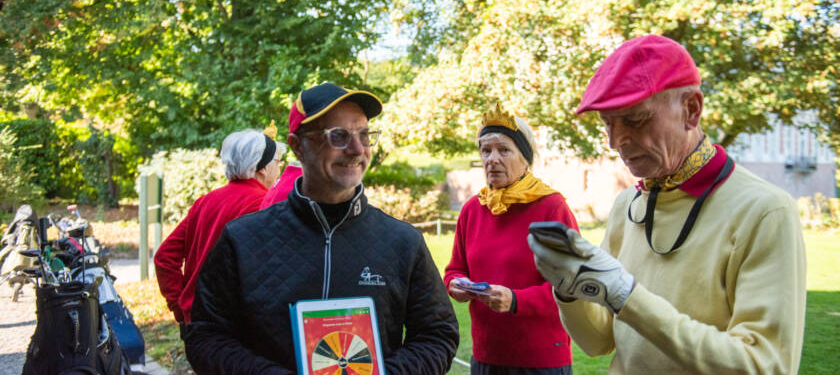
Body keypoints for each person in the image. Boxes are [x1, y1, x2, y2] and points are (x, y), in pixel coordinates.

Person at [528, 35, 807, 374]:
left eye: (634, 119)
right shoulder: (627, 204)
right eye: (607, 123)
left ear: (691, 110)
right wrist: (569, 289)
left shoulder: (765, 211)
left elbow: (765, 366)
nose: (615, 142)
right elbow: (598, 341)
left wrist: (628, 296)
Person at [184, 83, 459, 375]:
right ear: (297, 146)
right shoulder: (242, 239)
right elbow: (205, 337)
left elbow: (438, 334)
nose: (357, 150)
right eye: (338, 136)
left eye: (364, 135)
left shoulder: (403, 242)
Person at [444, 104, 579, 375]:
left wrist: (516, 300)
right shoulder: (472, 209)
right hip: (486, 356)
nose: (492, 159)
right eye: (486, 150)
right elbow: (455, 270)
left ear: (525, 158)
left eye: (504, 150)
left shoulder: (552, 208)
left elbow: (573, 285)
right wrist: (456, 284)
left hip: (541, 361)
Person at [154, 127, 284, 329]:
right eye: (278, 162)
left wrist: (180, 306)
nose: (280, 168)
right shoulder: (264, 204)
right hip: (233, 323)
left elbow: (164, 256)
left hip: (195, 319)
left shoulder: (206, 201)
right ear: (263, 167)